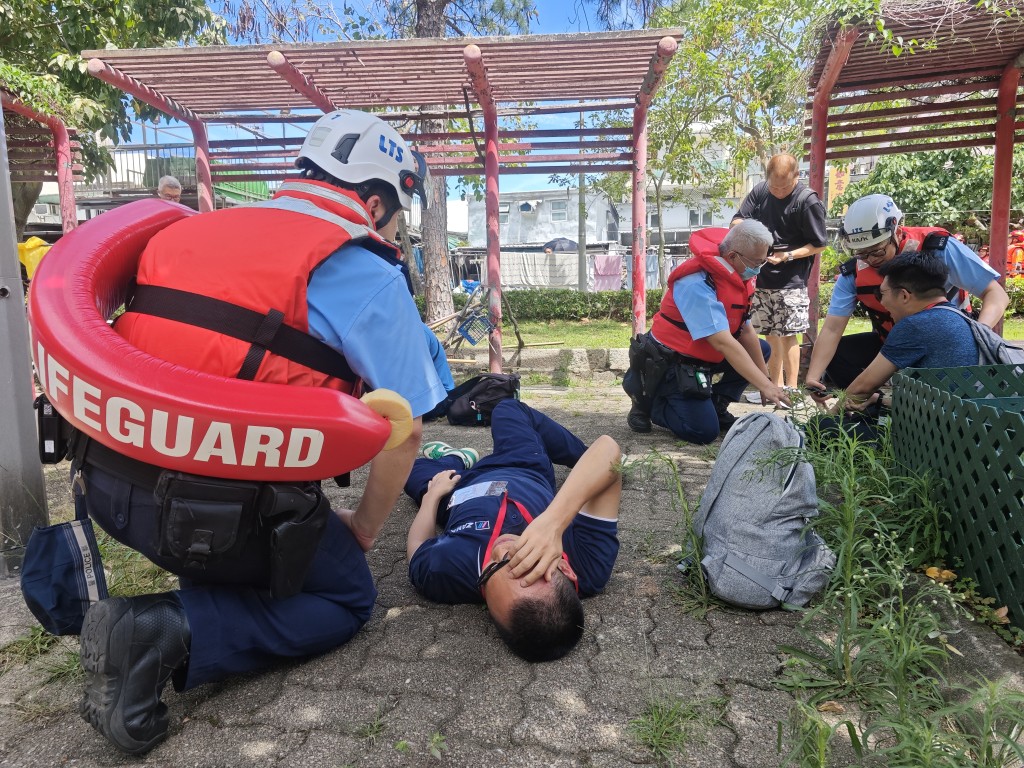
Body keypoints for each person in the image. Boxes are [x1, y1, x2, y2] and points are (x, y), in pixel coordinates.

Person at [73, 109, 444, 754]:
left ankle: (182, 590)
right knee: (349, 596)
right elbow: (405, 429)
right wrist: (359, 528)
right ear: (376, 199)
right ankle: (161, 630)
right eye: (396, 213)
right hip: (211, 514)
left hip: (108, 486)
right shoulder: (364, 269)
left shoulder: (193, 227)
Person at [404, 400, 621, 662]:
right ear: (565, 569)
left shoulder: (445, 574)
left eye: (490, 572)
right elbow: (609, 450)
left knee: (407, 470)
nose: (500, 550)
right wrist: (553, 523)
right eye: (525, 560)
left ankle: (457, 458)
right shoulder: (588, 566)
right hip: (523, 467)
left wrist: (432, 498)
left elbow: (418, 547)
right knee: (507, 408)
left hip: (456, 492)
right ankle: (580, 458)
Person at [806, 194, 1008, 396]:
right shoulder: (853, 274)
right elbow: (832, 328)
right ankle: (873, 407)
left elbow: (996, 295)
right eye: (861, 254)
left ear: (897, 231)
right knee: (839, 355)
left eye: (876, 251)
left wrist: (977, 338)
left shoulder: (938, 249)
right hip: (896, 341)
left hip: (944, 343)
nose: (870, 260)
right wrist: (813, 378)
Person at [622, 221, 790, 444]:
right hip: (672, 363)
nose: (759, 268)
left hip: (705, 357)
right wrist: (765, 386)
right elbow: (722, 342)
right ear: (732, 256)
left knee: (761, 348)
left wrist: (765, 381)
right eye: (757, 262)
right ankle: (648, 401)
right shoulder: (696, 282)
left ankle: (716, 404)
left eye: (763, 261)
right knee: (702, 432)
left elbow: (746, 330)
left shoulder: (739, 275)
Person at [813, 251, 979, 441]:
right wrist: (879, 399)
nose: (881, 302)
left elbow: (863, 386)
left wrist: (832, 415)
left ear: (904, 295)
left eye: (881, 294)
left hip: (933, 439)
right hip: (962, 426)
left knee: (822, 426)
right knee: (869, 413)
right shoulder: (957, 316)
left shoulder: (914, 325)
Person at [731, 154, 827, 395]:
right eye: (774, 186)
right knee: (770, 335)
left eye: (785, 186)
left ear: (797, 177)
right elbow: (737, 219)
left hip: (792, 279)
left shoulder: (807, 201)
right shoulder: (761, 192)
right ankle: (774, 387)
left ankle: (792, 388)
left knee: (789, 334)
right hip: (762, 275)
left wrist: (789, 255)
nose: (779, 191)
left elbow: (819, 244)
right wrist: (746, 234)